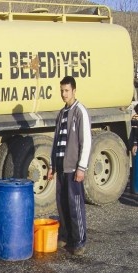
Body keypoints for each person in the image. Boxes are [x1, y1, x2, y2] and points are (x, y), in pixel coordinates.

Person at [47, 76, 92, 256]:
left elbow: (86, 141)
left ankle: (80, 241)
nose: (63, 94)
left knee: (75, 204)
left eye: (66, 90)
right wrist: (52, 165)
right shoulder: (61, 113)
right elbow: (56, 140)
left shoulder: (80, 111)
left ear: (74, 90)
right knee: (62, 203)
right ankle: (66, 236)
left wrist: (81, 167)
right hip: (61, 166)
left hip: (73, 168)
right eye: (61, 90)